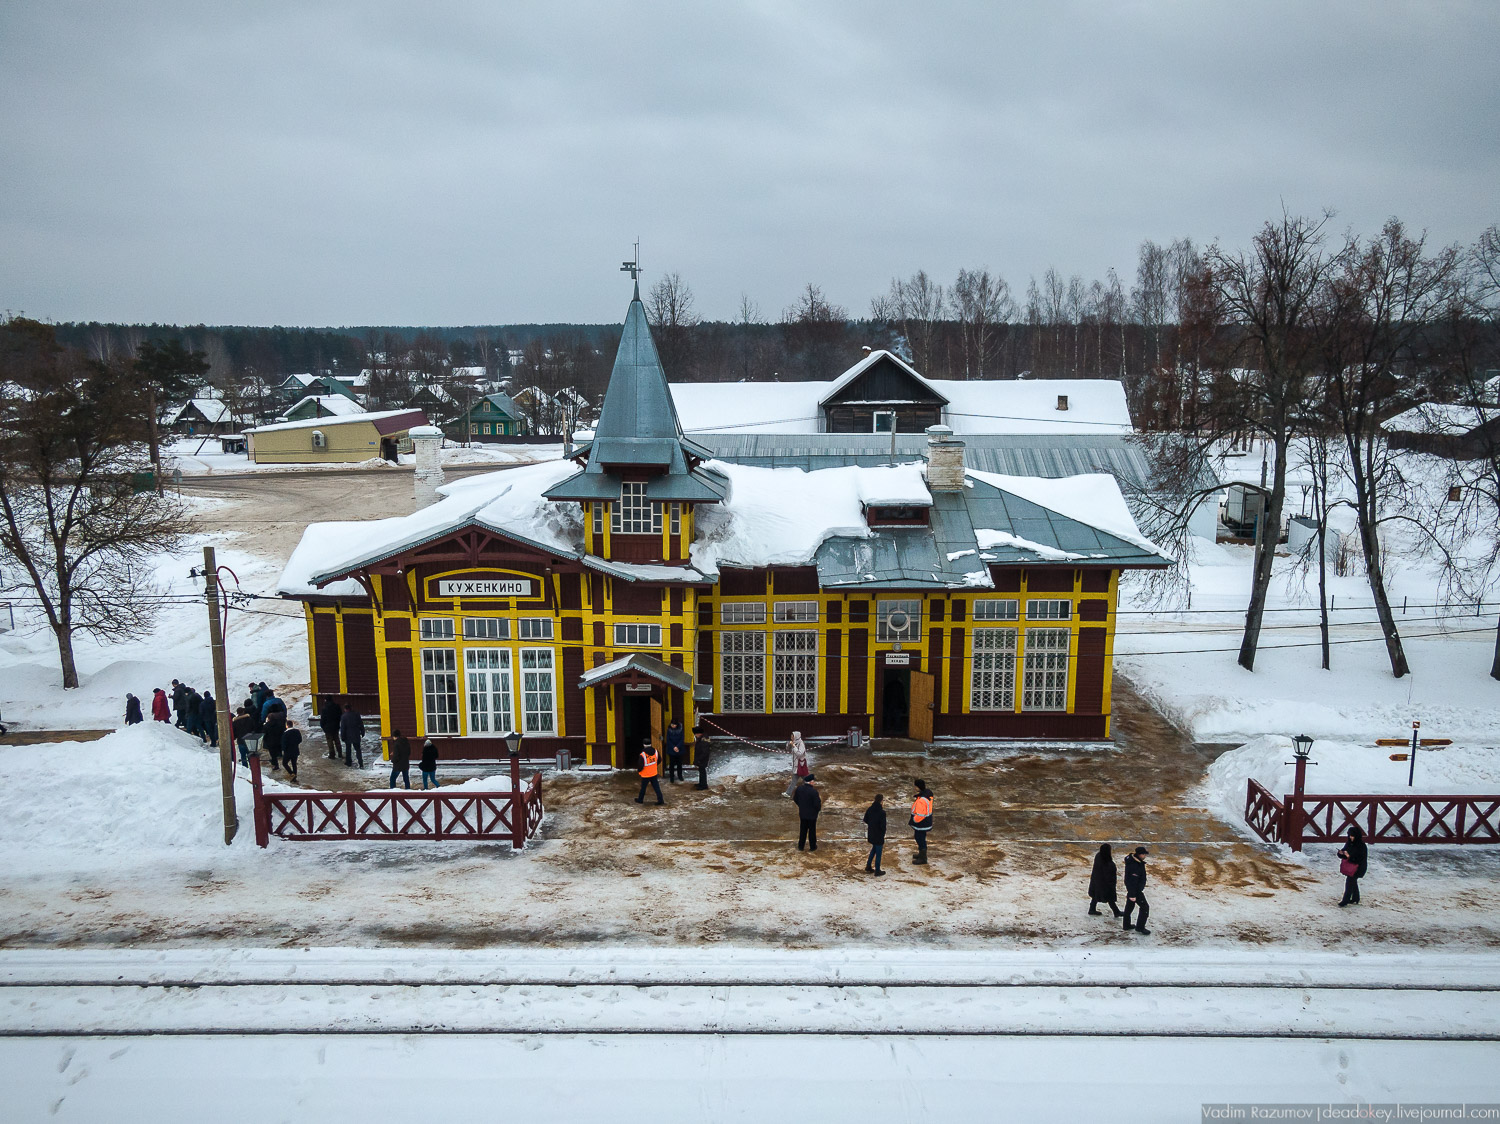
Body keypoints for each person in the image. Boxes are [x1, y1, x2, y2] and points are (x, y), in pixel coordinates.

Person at [1088, 843, 1124, 917]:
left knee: (1095, 895)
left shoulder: (1098, 856)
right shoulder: (1109, 864)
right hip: (1104, 884)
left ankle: (1092, 909)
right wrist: (1112, 886)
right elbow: (1110, 878)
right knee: (1110, 898)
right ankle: (1116, 912)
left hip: (1096, 880)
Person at [1123, 846, 1150, 934]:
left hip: (1133, 890)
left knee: (1129, 907)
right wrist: (1132, 894)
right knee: (1145, 907)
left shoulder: (1134, 862)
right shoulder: (1135, 866)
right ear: (1140, 855)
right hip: (1135, 891)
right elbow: (1132, 881)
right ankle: (1140, 927)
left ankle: (1126, 924)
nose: (1145, 856)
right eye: (1144, 854)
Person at [1338, 825, 1368, 906]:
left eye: (1352, 836)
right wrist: (1341, 853)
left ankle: (1345, 900)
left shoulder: (1361, 846)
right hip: (1351, 867)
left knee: (1349, 882)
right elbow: (1344, 851)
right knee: (1353, 882)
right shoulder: (1349, 843)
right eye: (1350, 836)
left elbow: (1360, 858)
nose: (1350, 837)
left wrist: (1349, 857)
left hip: (1358, 867)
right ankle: (1355, 898)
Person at [794, 774, 822, 851]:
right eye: (813, 781)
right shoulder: (814, 792)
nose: (814, 783)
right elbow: (817, 804)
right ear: (810, 782)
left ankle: (801, 846)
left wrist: (801, 806)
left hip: (803, 813)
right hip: (812, 815)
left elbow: (795, 799)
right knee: (812, 831)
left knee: (803, 830)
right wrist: (817, 810)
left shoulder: (799, 789)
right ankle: (812, 846)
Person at [909, 778, 933, 865]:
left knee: (920, 839)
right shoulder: (927, 795)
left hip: (921, 824)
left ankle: (923, 858)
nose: (915, 787)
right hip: (926, 822)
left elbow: (920, 814)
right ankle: (921, 855)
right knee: (920, 838)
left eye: (915, 786)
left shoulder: (922, 800)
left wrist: (914, 820)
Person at [863, 793, 887, 875]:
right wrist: (882, 833)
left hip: (871, 833)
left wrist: (872, 824)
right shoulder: (882, 813)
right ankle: (877, 870)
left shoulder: (870, 809)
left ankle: (868, 866)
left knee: (874, 849)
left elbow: (865, 819)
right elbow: (883, 826)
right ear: (881, 801)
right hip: (879, 835)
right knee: (878, 853)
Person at [262, 705, 286, 770]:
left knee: (273, 754)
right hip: (278, 739)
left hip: (270, 741)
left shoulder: (267, 725)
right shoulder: (278, 723)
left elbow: (264, 733)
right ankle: (280, 754)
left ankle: (276, 765)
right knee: (278, 748)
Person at [663, 719, 686, 783]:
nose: (673, 726)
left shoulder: (681, 729)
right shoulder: (669, 730)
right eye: (672, 724)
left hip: (679, 749)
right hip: (671, 749)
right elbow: (668, 740)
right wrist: (673, 747)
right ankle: (671, 777)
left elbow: (682, 739)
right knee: (671, 764)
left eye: (674, 725)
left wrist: (677, 747)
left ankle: (680, 776)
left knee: (679, 764)